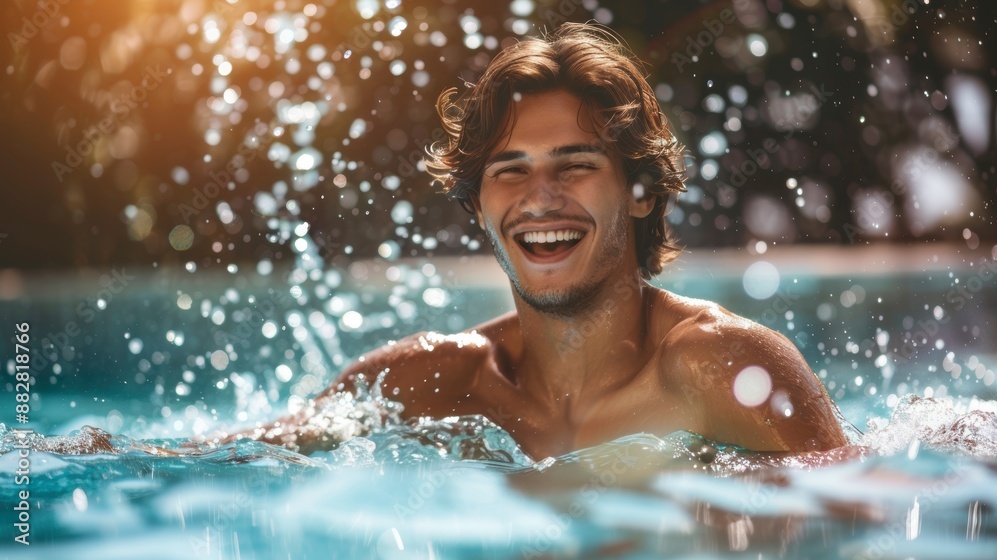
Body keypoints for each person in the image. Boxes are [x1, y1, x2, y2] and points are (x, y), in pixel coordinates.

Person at [233, 22, 849, 460]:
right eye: (510, 170)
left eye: (575, 164)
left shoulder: (724, 369)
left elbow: (856, 523)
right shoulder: (438, 381)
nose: (540, 196)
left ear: (640, 191)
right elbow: (217, 465)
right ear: (478, 205)